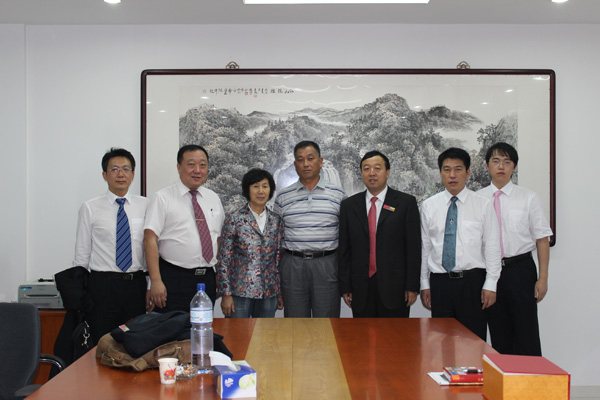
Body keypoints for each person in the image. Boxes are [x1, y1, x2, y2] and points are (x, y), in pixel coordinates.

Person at [478, 142, 552, 356]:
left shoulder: (528, 197)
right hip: (489, 273)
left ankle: (531, 377)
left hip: (520, 270)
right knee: (498, 333)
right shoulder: (477, 199)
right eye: (496, 161)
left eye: (507, 162)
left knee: (526, 332)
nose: (501, 166)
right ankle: (504, 377)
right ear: (487, 165)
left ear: (514, 167)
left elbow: (542, 239)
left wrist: (543, 279)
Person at [419, 147, 501, 340]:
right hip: (440, 283)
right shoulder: (429, 206)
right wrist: (424, 283)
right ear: (440, 173)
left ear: (468, 172)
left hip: (472, 283)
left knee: (473, 342)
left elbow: (492, 245)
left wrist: (491, 283)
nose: (452, 175)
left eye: (458, 169)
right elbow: (425, 247)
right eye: (447, 170)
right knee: (440, 342)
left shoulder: (482, 204)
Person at [73, 147, 148, 343]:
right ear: (104, 175)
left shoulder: (146, 206)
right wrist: (80, 292)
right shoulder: (90, 207)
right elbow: (82, 254)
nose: (120, 174)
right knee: (102, 341)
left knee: (135, 341)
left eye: (125, 169)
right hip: (102, 286)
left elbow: (150, 249)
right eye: (114, 169)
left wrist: (150, 285)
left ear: (133, 174)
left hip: (136, 285)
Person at [338, 151, 421, 317]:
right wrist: (345, 286)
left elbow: (413, 248)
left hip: (395, 287)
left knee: (394, 333)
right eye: (366, 169)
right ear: (361, 173)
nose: (372, 173)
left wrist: (412, 286)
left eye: (377, 168)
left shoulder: (405, 203)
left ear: (387, 172)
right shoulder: (349, 205)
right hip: (360, 287)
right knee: (362, 333)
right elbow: (344, 250)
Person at [144, 144, 225, 312]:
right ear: (179, 167)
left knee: (203, 326)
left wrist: (219, 275)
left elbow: (217, 239)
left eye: (202, 165)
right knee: (171, 327)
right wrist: (155, 281)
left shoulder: (213, 198)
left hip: (207, 278)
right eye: (191, 164)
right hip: (174, 279)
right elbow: (150, 239)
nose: (197, 170)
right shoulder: (162, 198)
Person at [273, 140, 346, 318]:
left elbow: (346, 236)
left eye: (310, 158)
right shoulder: (282, 197)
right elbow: (276, 237)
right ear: (295, 164)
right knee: (295, 323)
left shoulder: (338, 195)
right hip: (293, 265)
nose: (305, 164)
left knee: (327, 323)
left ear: (320, 162)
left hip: (327, 264)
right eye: (300, 159)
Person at [217, 168, 284, 318]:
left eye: (265, 186)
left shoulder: (276, 220)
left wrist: (279, 292)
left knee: (265, 332)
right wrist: (226, 293)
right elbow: (224, 260)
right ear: (248, 190)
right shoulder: (234, 219)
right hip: (239, 293)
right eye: (255, 186)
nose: (261, 191)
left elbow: (277, 259)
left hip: (269, 293)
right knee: (238, 332)